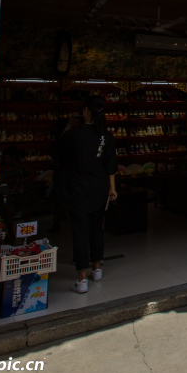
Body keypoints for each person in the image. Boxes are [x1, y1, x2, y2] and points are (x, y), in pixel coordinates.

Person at [57, 95, 118, 293]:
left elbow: (59, 151)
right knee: (97, 230)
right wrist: (112, 188)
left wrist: (69, 123)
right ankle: (97, 268)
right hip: (99, 190)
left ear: (85, 111)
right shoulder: (106, 136)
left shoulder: (74, 134)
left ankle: (82, 279)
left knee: (80, 233)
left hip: (78, 191)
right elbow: (111, 165)